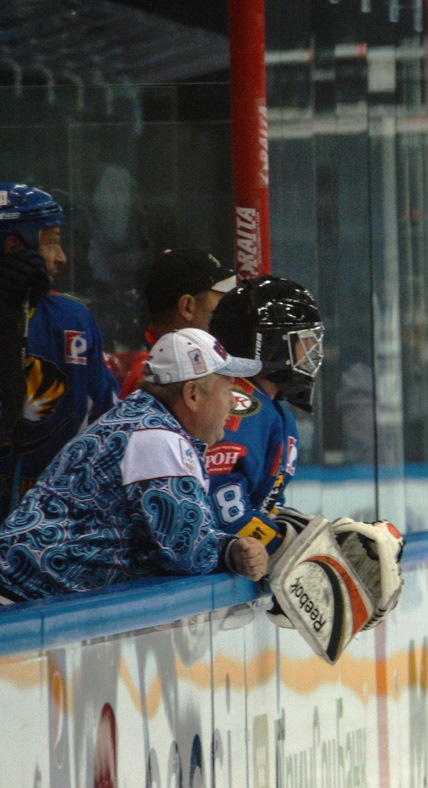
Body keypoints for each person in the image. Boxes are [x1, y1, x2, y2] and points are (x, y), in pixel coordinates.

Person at [0, 328, 269, 603]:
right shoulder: (156, 438)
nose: (233, 404)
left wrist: (231, 547)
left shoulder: (143, 420)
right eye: (227, 391)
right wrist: (232, 550)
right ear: (192, 395)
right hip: (20, 603)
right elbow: (189, 552)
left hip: (24, 595)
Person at [0, 183, 119, 517]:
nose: (62, 257)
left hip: (54, 524)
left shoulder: (74, 320)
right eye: (51, 242)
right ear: (13, 246)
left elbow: (109, 425)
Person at [205, 276, 324, 545]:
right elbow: (224, 513)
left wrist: (305, 535)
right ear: (272, 345)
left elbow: (265, 506)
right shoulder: (235, 406)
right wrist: (284, 548)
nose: (312, 351)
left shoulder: (274, 412)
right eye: (303, 340)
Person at [113, 248, 239, 395]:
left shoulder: (177, 368)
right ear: (187, 307)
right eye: (221, 296)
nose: (228, 306)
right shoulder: (158, 379)